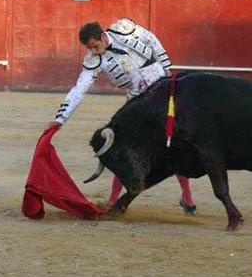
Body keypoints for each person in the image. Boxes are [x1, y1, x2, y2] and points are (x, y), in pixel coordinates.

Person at [49, 19, 197, 215]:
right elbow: (79, 90)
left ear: (103, 36)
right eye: (90, 48)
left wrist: (167, 71)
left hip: (162, 91)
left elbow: (152, 40)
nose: (93, 51)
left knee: (174, 144)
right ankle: (112, 199)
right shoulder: (94, 61)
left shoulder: (124, 29)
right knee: (122, 149)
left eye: (95, 46)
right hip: (137, 103)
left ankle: (187, 197)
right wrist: (61, 118)